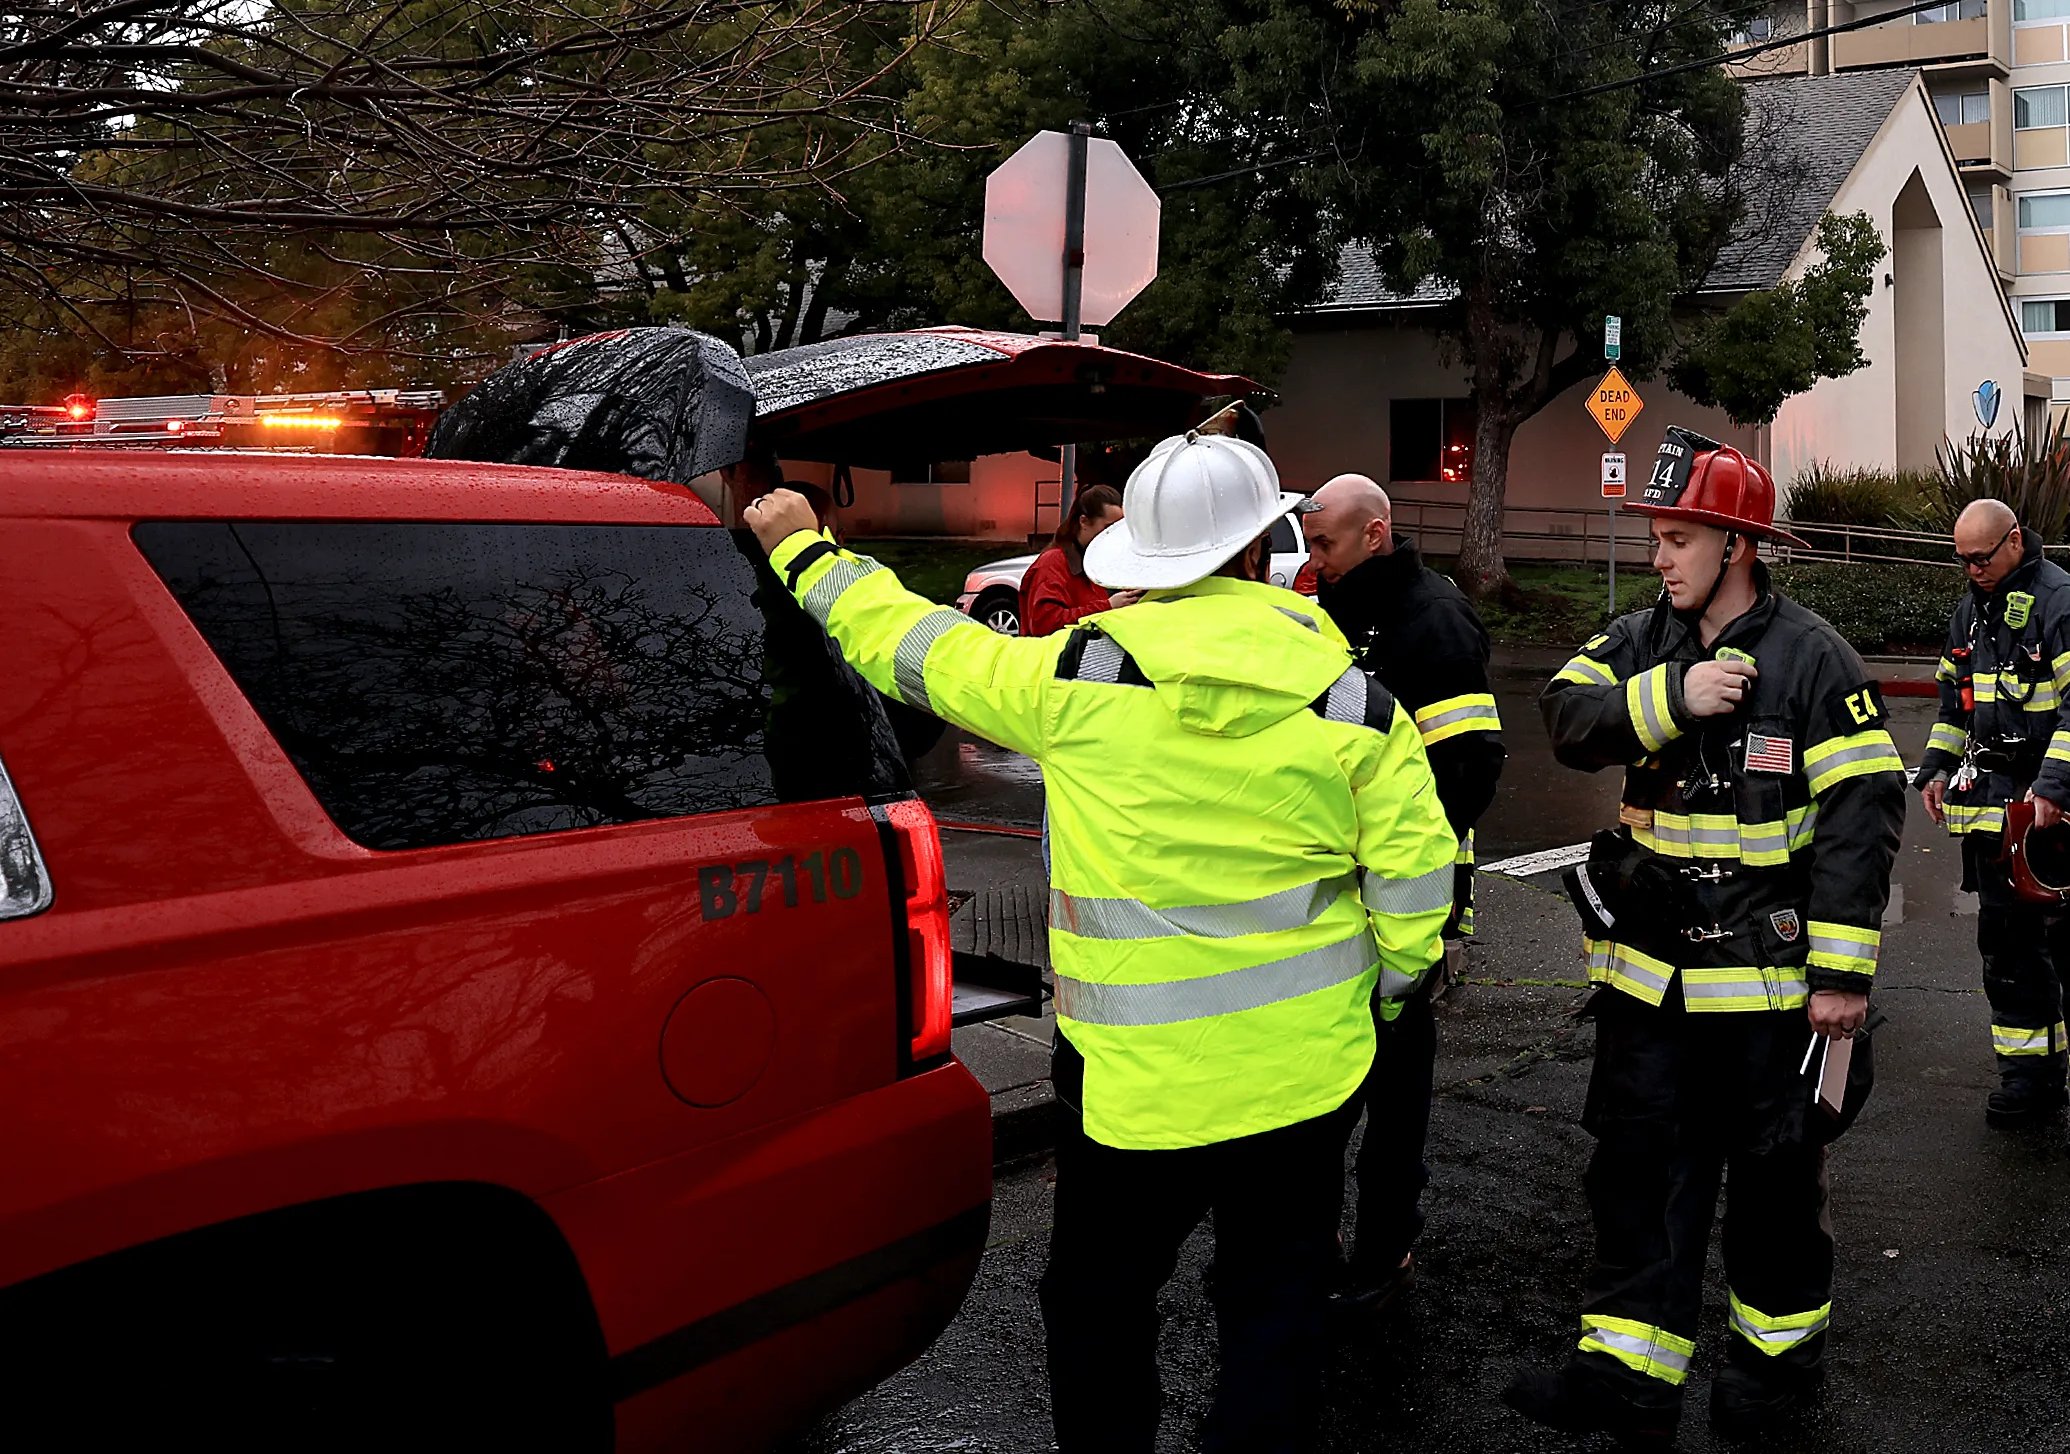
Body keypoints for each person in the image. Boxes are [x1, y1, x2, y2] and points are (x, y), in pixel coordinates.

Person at [741, 433, 1457, 1454]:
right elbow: (1416, 890)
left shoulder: (1077, 682)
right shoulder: (1357, 705)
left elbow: (915, 645)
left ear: (1145, 562)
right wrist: (1379, 1000)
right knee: (1275, 1308)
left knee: (1098, 1304)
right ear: (1262, 550)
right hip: (1304, 1085)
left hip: (1134, 1096)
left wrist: (808, 553)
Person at [1504, 433, 1905, 1446]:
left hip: (1771, 999)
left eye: (1678, 538)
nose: (1659, 558)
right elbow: (1564, 715)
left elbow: (1863, 813)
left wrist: (1842, 977)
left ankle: (1771, 1375)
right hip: (1651, 990)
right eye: (1657, 538)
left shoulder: (1814, 657)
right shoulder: (1641, 640)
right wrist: (1668, 699)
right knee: (1636, 1177)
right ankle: (1626, 1378)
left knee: (1773, 1192)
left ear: (1737, 543)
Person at [1303, 472, 1505, 1310]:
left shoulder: (1434, 617)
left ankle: (1385, 1249)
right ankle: (1305, 1242)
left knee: (1393, 1084)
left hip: (1400, 900)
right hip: (1323, 894)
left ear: (1376, 533)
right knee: (1316, 1085)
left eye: (1326, 544)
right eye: (1310, 544)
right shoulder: (1325, 611)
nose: (1312, 561)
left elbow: (1467, 767)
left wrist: (1395, 854)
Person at [1909, 497, 2070, 1156]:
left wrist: (2053, 784)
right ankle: (2032, 1075)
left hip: (2063, 821)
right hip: (1993, 817)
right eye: (1961, 559)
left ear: (2015, 540)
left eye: (1981, 558)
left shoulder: (2066, 605)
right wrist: (1934, 767)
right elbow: (1954, 703)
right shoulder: (1970, 609)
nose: (1972, 570)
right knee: (2009, 955)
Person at [1020, 480, 1124, 638]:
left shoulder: (1097, 563)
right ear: (1084, 522)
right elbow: (1045, 625)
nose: (1114, 536)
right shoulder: (1053, 563)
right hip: (1055, 660)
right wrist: (1108, 606)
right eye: (1108, 528)